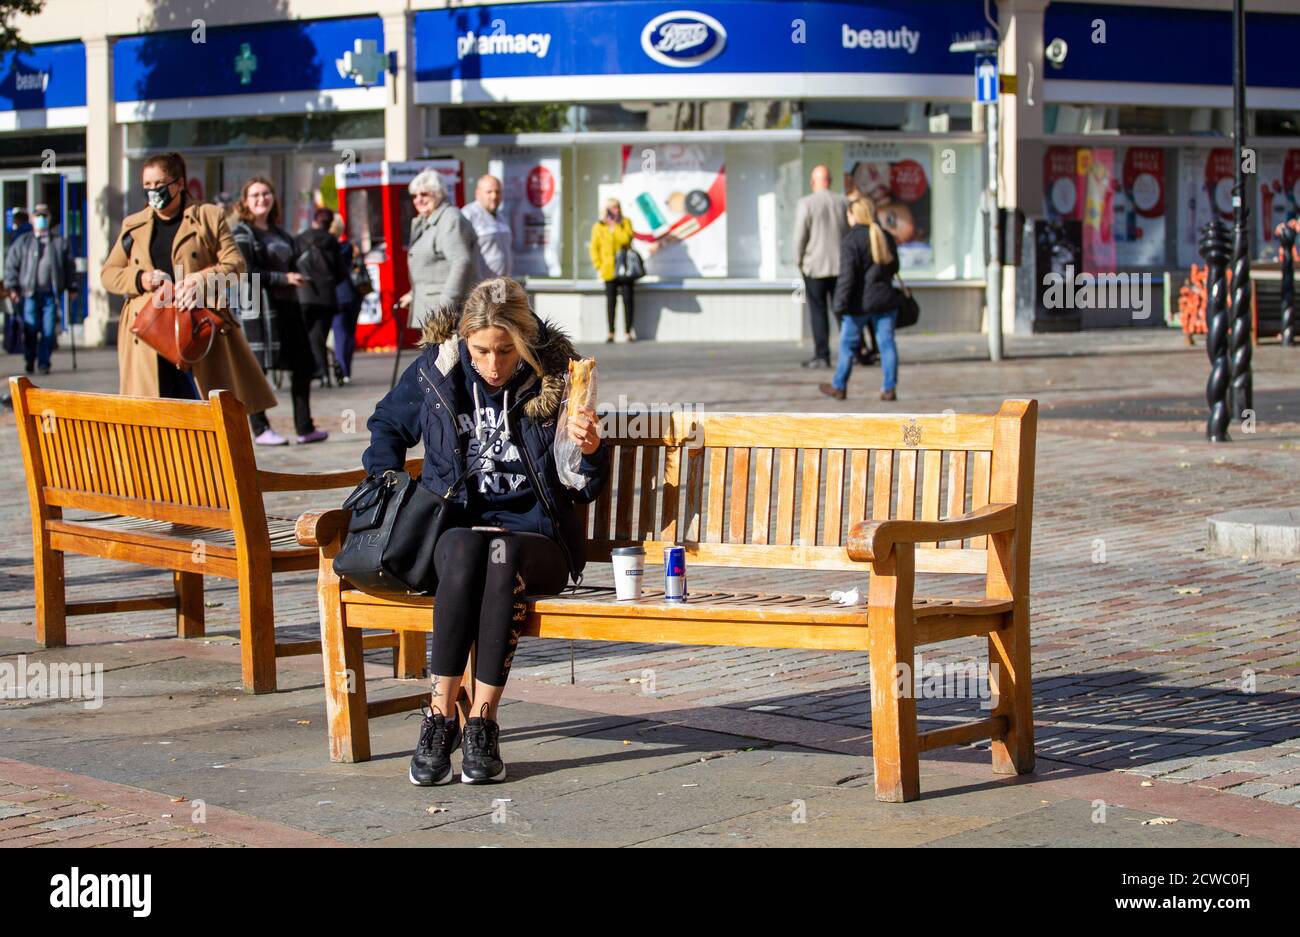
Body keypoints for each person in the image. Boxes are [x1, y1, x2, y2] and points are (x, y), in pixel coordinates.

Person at [362, 277, 608, 786]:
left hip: (537, 540)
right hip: (458, 533)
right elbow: (386, 424)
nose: (493, 364)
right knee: (462, 546)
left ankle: (482, 721)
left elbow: (580, 488)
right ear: (463, 340)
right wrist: (385, 479)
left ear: (524, 341)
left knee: (498, 554)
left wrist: (587, 450)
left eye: (505, 350)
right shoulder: (438, 374)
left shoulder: (559, 381)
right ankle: (439, 716)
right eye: (481, 351)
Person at [101, 151, 278, 410]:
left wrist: (200, 280)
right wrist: (141, 279)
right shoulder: (134, 225)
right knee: (155, 414)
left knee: (203, 410)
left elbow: (236, 265)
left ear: (180, 183)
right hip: (149, 332)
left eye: (160, 185)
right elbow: (109, 273)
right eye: (147, 186)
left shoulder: (208, 216)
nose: (153, 191)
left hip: (197, 329)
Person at [230, 177, 328, 444]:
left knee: (304, 365)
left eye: (266, 193)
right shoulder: (242, 233)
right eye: (255, 195)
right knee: (257, 370)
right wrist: (284, 279)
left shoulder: (280, 232)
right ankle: (260, 429)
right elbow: (247, 272)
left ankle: (304, 427)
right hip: (260, 310)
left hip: (289, 306)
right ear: (245, 202)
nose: (262, 199)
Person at [794, 165, 876, 369]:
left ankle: (822, 355)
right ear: (830, 181)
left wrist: (799, 261)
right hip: (841, 266)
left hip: (815, 266)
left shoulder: (806, 203)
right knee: (843, 310)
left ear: (813, 182)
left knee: (818, 311)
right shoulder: (842, 202)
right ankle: (855, 350)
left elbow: (799, 236)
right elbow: (851, 231)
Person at [820, 196, 901, 402]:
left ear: (853, 216)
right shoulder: (885, 236)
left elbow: (847, 277)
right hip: (884, 301)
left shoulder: (851, 241)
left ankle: (839, 386)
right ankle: (889, 388)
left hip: (858, 305)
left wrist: (839, 305)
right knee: (887, 345)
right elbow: (895, 268)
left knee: (847, 346)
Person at [5, 203, 77, 375]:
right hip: (29, 292)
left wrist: (72, 286)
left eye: (44, 216)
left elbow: (69, 266)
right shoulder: (24, 242)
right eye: (38, 216)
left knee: (48, 328)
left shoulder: (59, 243)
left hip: (50, 294)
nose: (41, 219)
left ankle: (44, 362)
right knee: (30, 328)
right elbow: (11, 265)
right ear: (32, 219)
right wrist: (12, 287)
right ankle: (30, 359)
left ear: (49, 218)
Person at [400, 169, 476, 327]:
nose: (418, 200)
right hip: (428, 310)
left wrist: (445, 306)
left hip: (443, 314)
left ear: (438, 193)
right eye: (414, 196)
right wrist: (413, 294)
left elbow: (461, 261)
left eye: (424, 194)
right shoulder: (425, 220)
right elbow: (430, 269)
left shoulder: (449, 219)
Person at [294, 207, 348, 386]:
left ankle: (319, 372)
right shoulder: (332, 242)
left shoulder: (300, 239)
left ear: (314, 220)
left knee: (310, 335)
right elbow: (341, 273)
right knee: (320, 335)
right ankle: (323, 373)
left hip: (304, 293)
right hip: (327, 296)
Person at [589, 198, 641, 343]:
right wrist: (598, 265)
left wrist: (616, 225)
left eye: (617, 207)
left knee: (628, 300)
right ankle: (611, 332)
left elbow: (625, 240)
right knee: (611, 302)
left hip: (625, 269)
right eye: (611, 208)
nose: (614, 211)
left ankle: (628, 332)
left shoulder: (625, 222)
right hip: (608, 269)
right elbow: (594, 247)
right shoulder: (598, 226)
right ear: (606, 210)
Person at [330, 214, 363, 385]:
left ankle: (342, 370)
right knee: (349, 334)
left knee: (340, 333)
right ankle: (346, 369)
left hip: (337, 296)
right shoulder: (349, 246)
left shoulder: (328, 248)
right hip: (354, 294)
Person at [461, 174, 512, 280]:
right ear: (477, 194)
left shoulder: (502, 217)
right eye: (489, 192)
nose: (494, 196)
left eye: (497, 192)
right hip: (481, 288)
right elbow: (460, 256)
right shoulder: (468, 215)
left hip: (501, 287)